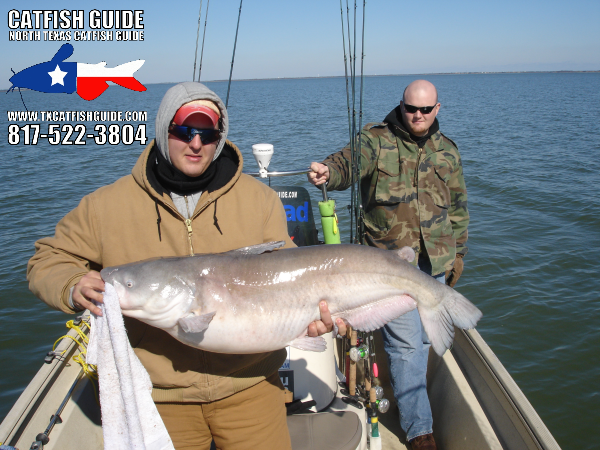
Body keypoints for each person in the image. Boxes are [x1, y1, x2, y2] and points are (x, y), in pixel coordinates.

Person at [28, 81, 341, 450]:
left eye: (207, 134)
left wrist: (311, 317)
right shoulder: (106, 206)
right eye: (184, 131)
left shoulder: (259, 199)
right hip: (159, 397)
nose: (196, 143)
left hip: (251, 389)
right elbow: (45, 260)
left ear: (219, 138)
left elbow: (287, 271)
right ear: (164, 130)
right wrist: (73, 285)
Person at [307, 79, 469, 450]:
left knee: (425, 340)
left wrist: (458, 255)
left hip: (435, 263)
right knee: (407, 346)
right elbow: (347, 163)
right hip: (387, 268)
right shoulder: (375, 139)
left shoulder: (448, 152)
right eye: (411, 108)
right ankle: (419, 431)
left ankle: (412, 400)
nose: (418, 115)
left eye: (426, 110)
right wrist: (328, 172)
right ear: (401, 105)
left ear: (437, 109)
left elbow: (459, 208)